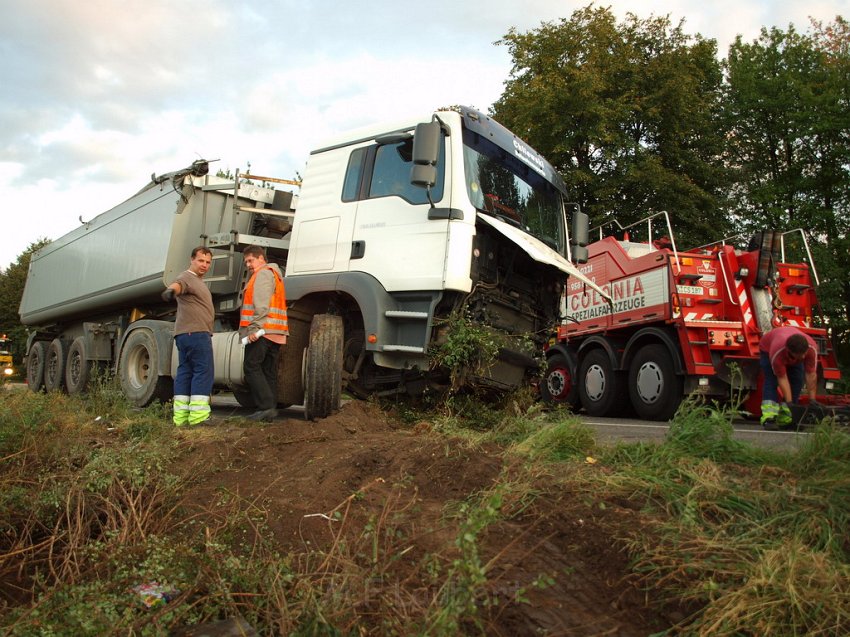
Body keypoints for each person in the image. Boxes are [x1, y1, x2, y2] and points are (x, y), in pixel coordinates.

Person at [162, 246, 215, 426]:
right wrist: (171, 291)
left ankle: (181, 418)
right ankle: (199, 419)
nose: (204, 265)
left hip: (184, 334)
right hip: (196, 333)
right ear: (191, 260)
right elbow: (178, 285)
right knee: (203, 370)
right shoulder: (187, 277)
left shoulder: (198, 281)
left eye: (208, 262)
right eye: (201, 260)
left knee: (185, 372)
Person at [239, 245, 288, 421]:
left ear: (261, 258)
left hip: (262, 331)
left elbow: (261, 304)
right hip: (275, 331)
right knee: (268, 371)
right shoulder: (275, 274)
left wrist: (254, 329)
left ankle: (266, 407)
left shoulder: (263, 274)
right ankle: (270, 410)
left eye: (250, 260)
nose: (249, 265)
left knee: (251, 367)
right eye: (246, 262)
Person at [759, 326, 818, 431]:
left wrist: (812, 400)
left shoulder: (811, 348)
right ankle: (769, 418)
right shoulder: (777, 352)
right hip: (767, 349)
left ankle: (787, 419)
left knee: (797, 381)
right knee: (771, 381)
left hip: (790, 350)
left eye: (805, 353)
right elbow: (782, 378)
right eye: (800, 355)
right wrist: (789, 402)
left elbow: (811, 375)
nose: (804, 357)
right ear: (790, 351)